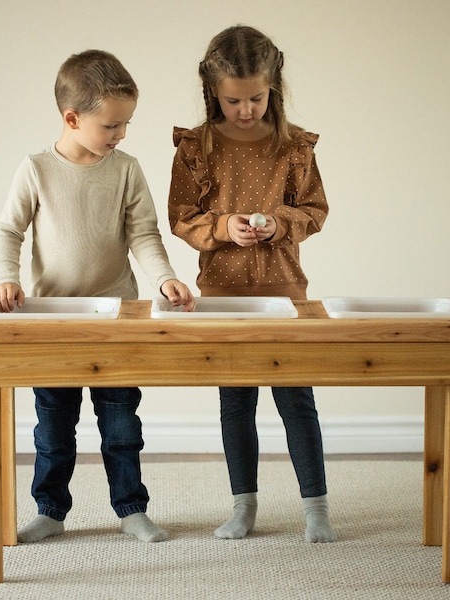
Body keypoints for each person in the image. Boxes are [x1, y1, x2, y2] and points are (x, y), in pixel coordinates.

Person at [0, 49, 195, 544]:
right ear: (72, 118)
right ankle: (50, 510)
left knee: (122, 423)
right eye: (111, 126)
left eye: (126, 124)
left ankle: (131, 509)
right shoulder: (36, 168)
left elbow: (144, 234)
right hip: (52, 320)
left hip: (116, 316)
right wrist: (5, 277)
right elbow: (8, 230)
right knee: (53, 429)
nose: (121, 134)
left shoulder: (125, 169)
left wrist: (163, 278)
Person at [168, 25, 336, 543]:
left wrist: (279, 221)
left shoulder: (294, 147)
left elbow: (316, 210)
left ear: (274, 88)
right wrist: (223, 227)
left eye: (256, 98)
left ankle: (317, 508)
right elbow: (181, 216)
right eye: (233, 99)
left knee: (296, 402)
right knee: (235, 403)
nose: (245, 109)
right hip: (222, 298)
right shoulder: (197, 148)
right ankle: (243, 506)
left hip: (286, 293)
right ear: (213, 92)